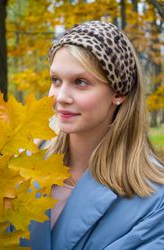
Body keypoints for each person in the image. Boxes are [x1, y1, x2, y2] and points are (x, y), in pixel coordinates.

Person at [21, 20, 164, 250]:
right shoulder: (19, 168)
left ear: (119, 92)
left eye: (80, 82)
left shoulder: (154, 200)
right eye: (56, 80)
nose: (60, 97)